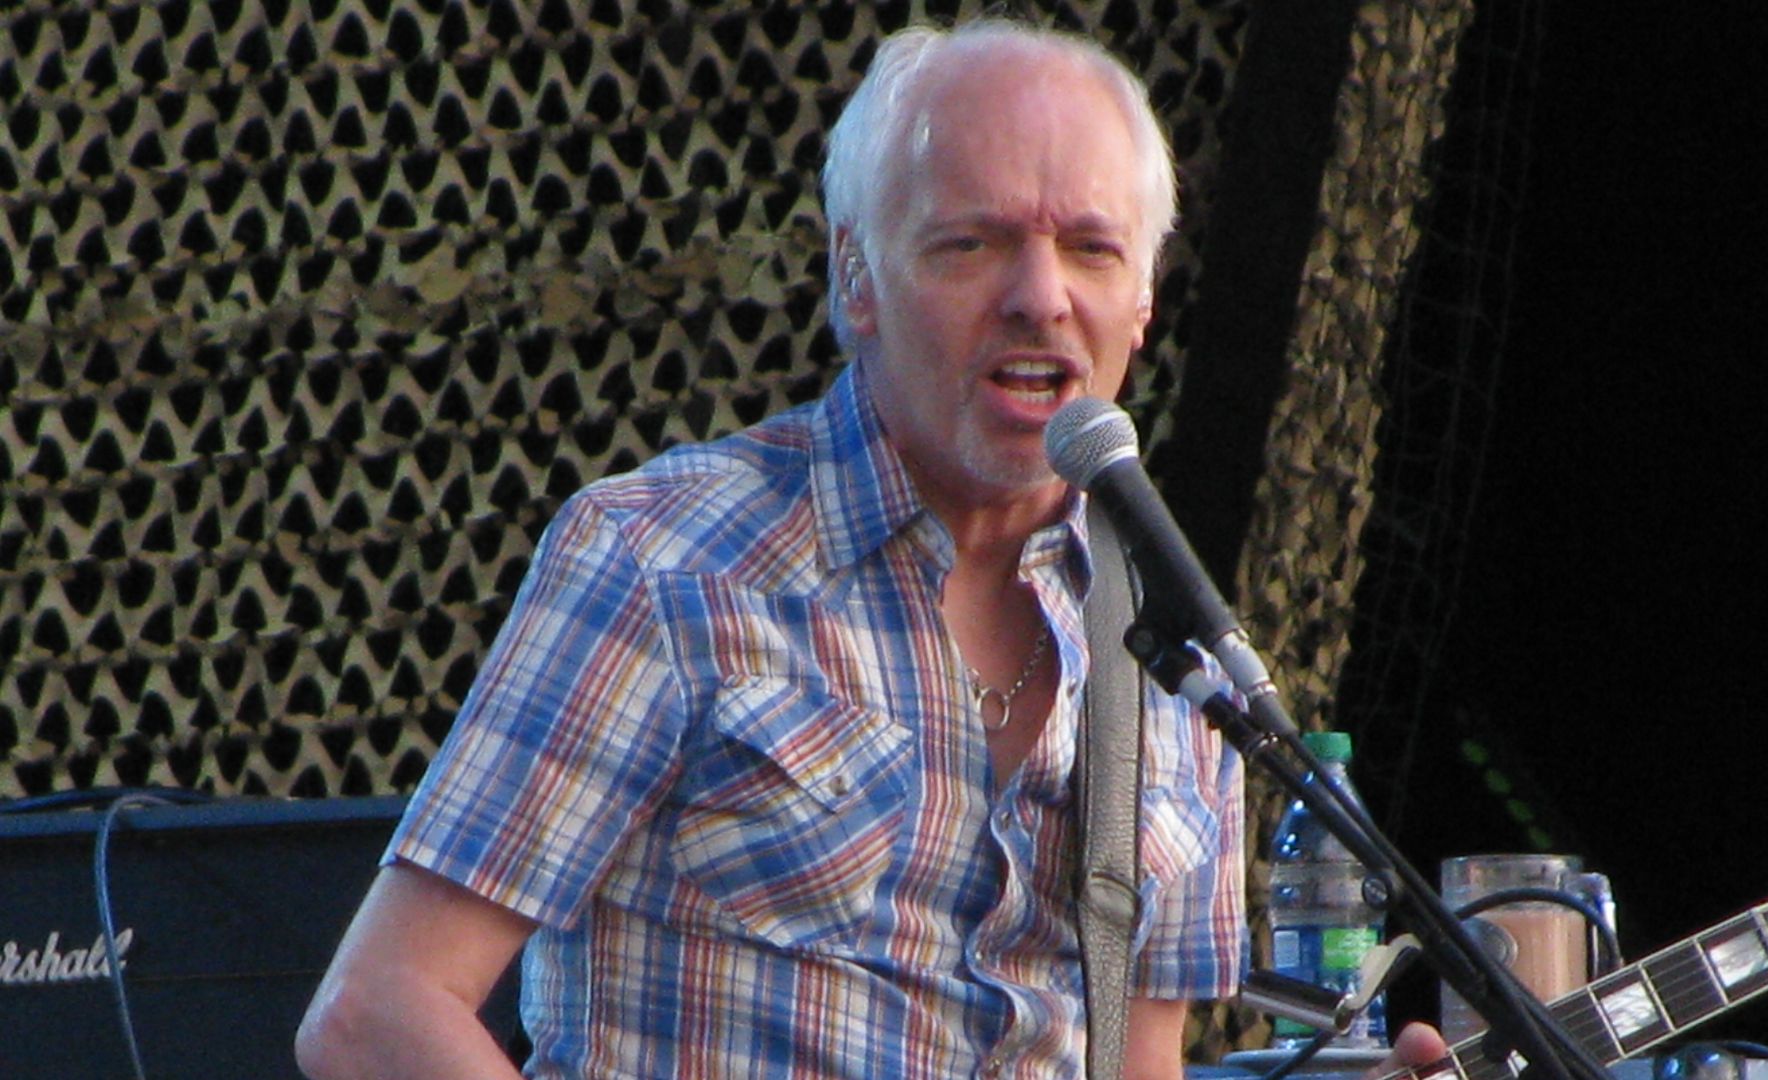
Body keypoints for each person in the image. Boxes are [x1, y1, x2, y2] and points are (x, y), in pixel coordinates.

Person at [298, 17, 1444, 1080]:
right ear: (856, 279)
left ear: (1142, 301)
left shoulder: (1180, 658)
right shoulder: (666, 558)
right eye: (971, 243)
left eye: (1092, 250)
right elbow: (377, 1013)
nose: (1039, 297)